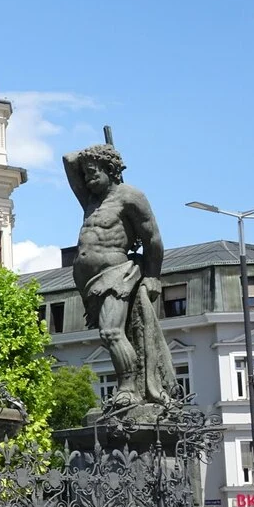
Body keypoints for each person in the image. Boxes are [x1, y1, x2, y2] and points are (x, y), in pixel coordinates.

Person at [64, 143, 175, 414]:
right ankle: (128, 385)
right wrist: (94, 156)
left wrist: (152, 277)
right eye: (87, 174)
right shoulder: (91, 199)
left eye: (93, 173)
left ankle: (129, 389)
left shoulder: (130, 196)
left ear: (111, 170)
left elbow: (154, 240)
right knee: (115, 334)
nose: (88, 179)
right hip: (88, 281)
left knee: (111, 331)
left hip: (118, 274)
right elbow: (68, 161)